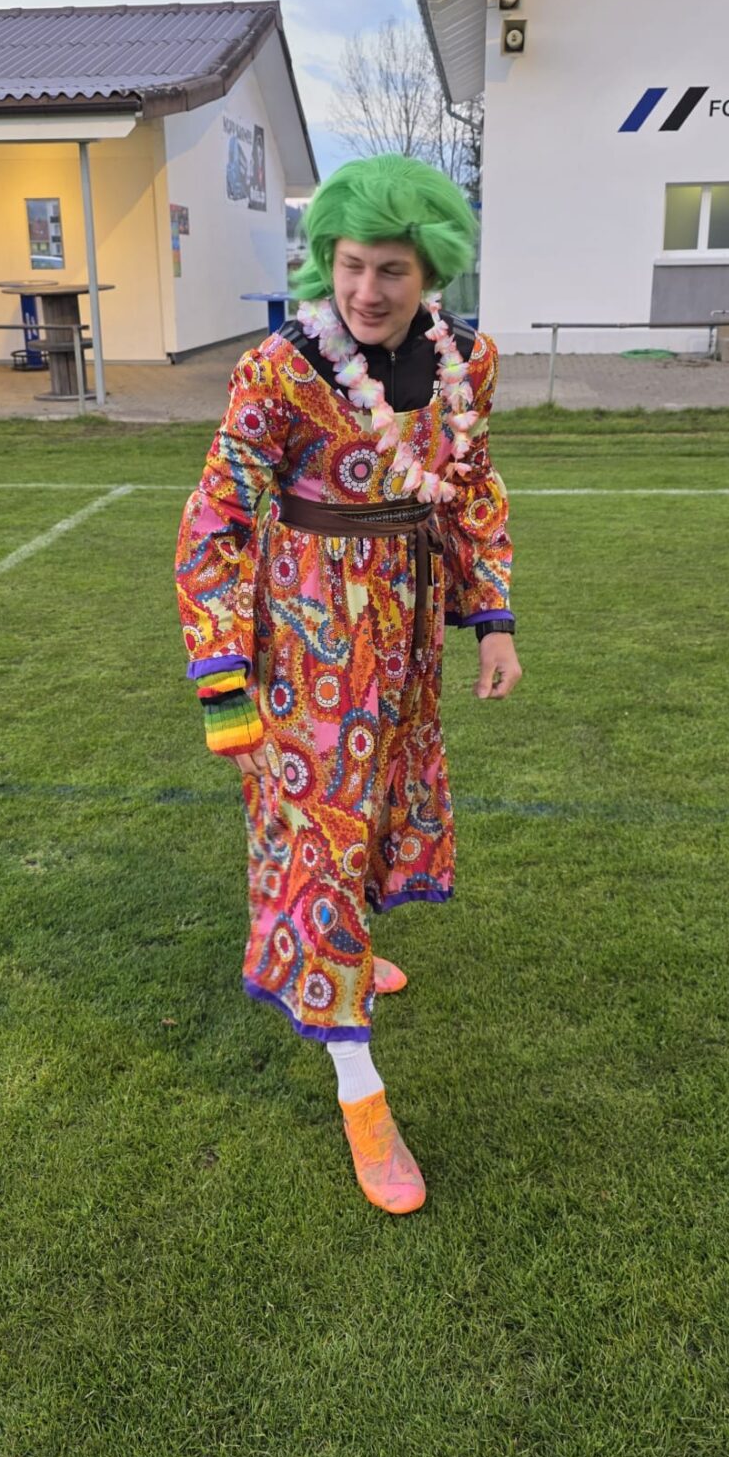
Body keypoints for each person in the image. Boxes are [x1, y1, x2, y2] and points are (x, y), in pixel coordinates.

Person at [175, 154, 520, 1214]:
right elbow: (216, 518)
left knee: (378, 802)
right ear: (327, 258)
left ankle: (356, 947)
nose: (367, 290)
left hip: (406, 625)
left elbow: (470, 488)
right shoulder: (279, 369)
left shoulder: (468, 362)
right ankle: (359, 1088)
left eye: (393, 270)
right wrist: (222, 673)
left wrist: (492, 617)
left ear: (432, 273)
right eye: (351, 264)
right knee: (317, 831)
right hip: (306, 636)